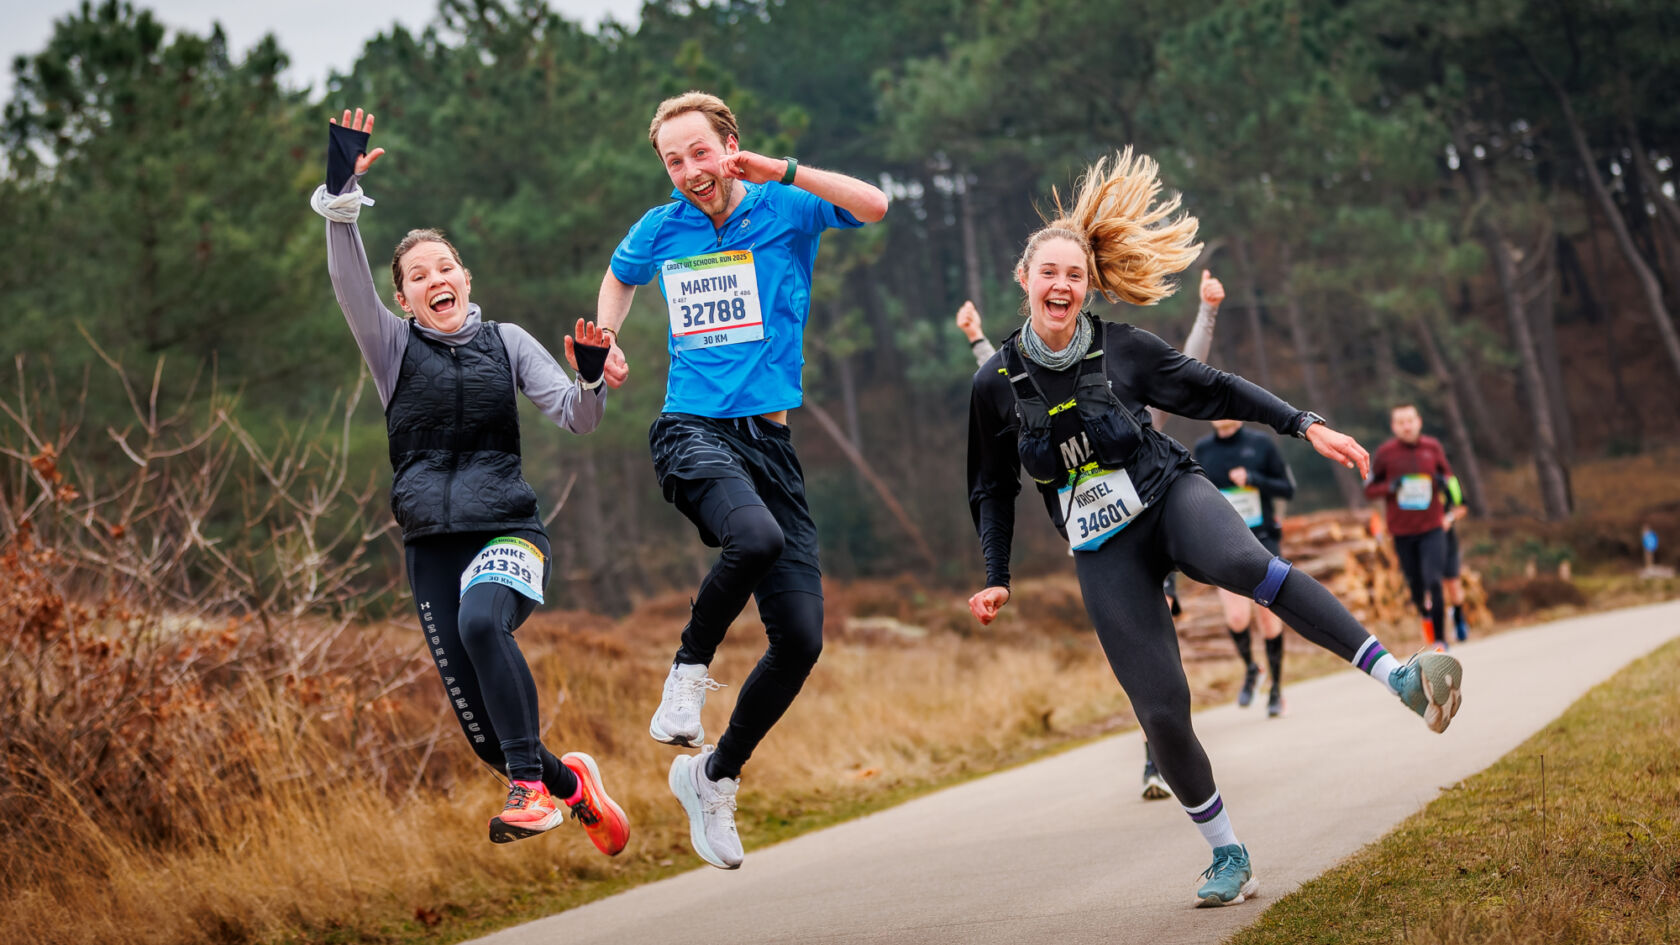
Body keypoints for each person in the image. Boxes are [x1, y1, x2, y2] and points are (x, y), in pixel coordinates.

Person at [965, 148, 1464, 907]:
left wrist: (1304, 423)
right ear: (1024, 281)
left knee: (1252, 567)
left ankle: (1398, 676)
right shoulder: (994, 385)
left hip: (1170, 496)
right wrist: (996, 573)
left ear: (1086, 284)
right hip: (1101, 548)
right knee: (1160, 709)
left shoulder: (1123, 350)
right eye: (1049, 273)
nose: (1061, 285)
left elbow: (1213, 387)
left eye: (1074, 274)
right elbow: (989, 486)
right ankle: (1228, 853)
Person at [312, 109, 629, 856]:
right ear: (403, 298)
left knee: (483, 623)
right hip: (431, 546)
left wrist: (590, 382)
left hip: (508, 527)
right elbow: (345, 276)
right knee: (488, 736)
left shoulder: (507, 342)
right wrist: (340, 199)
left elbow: (579, 419)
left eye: (444, 267)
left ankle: (529, 791)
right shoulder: (389, 348)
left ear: (465, 277)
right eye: (418, 275)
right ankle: (568, 784)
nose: (435, 279)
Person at [594, 91, 888, 870]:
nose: (689, 171)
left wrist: (781, 169)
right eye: (673, 160)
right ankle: (686, 676)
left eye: (700, 152)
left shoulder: (788, 207)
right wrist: (609, 344)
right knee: (751, 536)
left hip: (772, 444)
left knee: (801, 640)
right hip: (690, 429)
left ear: (731, 145)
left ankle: (712, 774)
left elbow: (877, 205)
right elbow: (619, 277)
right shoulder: (662, 229)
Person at [954, 274, 1227, 802]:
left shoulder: (1141, 403)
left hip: (1157, 515)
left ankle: (1165, 757)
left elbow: (1193, 370)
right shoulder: (1052, 393)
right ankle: (1159, 758)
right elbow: (1013, 381)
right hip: (1102, 541)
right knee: (1144, 663)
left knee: (1159, 655)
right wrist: (976, 339)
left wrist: (1207, 311)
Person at [1194, 419, 1296, 716]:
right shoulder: (1203, 449)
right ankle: (1253, 668)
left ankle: (1277, 689)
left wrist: (1253, 478)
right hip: (1223, 543)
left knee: (1267, 618)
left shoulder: (1260, 443)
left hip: (1262, 540)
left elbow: (1287, 489)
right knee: (1237, 618)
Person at [1364, 404, 1459, 651]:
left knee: (1434, 581)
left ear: (1419, 422)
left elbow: (1449, 479)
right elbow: (1369, 489)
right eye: (1401, 422)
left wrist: (1442, 483)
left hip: (1432, 527)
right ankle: (1424, 612)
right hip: (1403, 532)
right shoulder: (1385, 453)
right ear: (1394, 427)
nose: (1407, 426)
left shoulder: (1432, 448)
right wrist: (1389, 488)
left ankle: (1440, 639)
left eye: (1410, 420)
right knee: (1416, 584)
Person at [1441, 475, 1471, 642]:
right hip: (1423, 542)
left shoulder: (1448, 480)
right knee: (1434, 588)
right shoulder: (1409, 478)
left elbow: (1462, 507)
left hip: (1447, 539)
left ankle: (1459, 621)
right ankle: (1440, 632)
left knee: (1453, 584)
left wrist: (1449, 518)